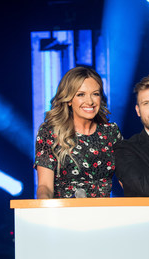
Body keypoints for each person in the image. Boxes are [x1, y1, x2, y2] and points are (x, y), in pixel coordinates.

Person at [34, 66, 122, 199]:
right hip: (64, 214)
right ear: (69, 99)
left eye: (95, 94)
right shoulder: (50, 132)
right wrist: (45, 212)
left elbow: (127, 180)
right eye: (81, 94)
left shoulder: (111, 132)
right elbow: (45, 186)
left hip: (103, 214)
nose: (90, 101)